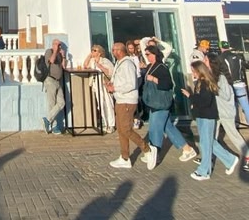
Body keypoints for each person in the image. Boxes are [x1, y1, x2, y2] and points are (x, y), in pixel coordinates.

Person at [181, 61, 238, 181]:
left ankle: (204, 171)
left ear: (199, 71)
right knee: (209, 142)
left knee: (205, 144)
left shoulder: (206, 83)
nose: (193, 73)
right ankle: (230, 159)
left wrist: (191, 97)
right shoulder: (200, 82)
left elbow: (205, 101)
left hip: (207, 116)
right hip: (201, 116)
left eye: (194, 71)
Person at [106, 42, 157, 170]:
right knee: (121, 130)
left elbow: (131, 84)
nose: (113, 52)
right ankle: (125, 157)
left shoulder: (127, 64)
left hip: (127, 101)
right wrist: (111, 85)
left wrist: (115, 88)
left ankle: (147, 149)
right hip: (120, 100)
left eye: (115, 49)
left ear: (121, 50)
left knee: (126, 129)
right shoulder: (119, 63)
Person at [143, 45, 196, 165]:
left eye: (148, 54)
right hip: (153, 102)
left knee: (155, 129)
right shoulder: (149, 66)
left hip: (160, 103)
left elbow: (168, 84)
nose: (147, 56)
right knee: (168, 127)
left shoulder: (161, 67)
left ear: (155, 54)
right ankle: (187, 149)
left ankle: (154, 154)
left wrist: (154, 79)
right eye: (145, 54)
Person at [205, 53, 249, 172]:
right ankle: (208, 159)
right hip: (217, 113)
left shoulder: (221, 78)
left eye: (206, 60)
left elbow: (226, 95)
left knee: (233, 135)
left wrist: (214, 89)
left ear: (212, 63)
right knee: (212, 137)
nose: (204, 62)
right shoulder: (211, 76)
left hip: (225, 112)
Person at [83, 44, 115, 133]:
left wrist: (100, 66)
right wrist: (89, 55)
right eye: (92, 50)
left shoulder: (105, 61)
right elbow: (85, 65)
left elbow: (110, 72)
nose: (93, 52)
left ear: (100, 53)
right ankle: (105, 123)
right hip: (96, 84)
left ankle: (111, 125)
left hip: (105, 84)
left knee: (108, 104)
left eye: (95, 50)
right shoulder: (92, 61)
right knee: (101, 104)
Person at [217, 40, 249, 124]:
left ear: (221, 47)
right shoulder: (238, 56)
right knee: (246, 106)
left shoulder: (220, 58)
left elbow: (218, 71)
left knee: (231, 105)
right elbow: (246, 65)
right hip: (240, 84)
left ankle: (234, 124)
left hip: (229, 84)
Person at [42, 39, 66, 135]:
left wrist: (63, 56)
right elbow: (51, 60)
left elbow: (64, 66)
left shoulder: (59, 54)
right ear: (53, 44)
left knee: (61, 102)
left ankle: (47, 120)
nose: (59, 46)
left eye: (60, 45)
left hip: (58, 81)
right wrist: (55, 51)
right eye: (57, 44)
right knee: (51, 104)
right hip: (50, 80)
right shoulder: (49, 51)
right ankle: (54, 127)